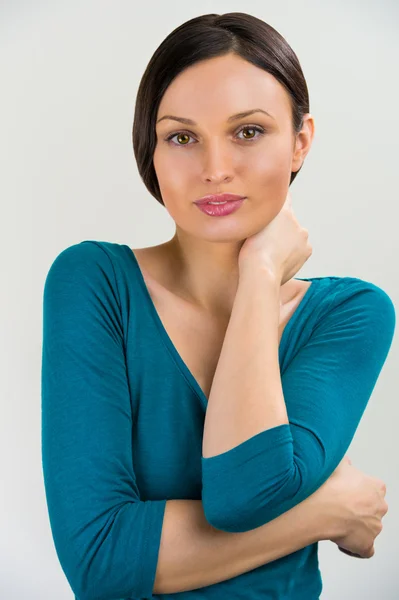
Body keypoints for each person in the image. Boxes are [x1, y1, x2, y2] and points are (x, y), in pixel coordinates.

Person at [41, 12, 395, 600]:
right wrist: (324, 510)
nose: (215, 170)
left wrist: (257, 275)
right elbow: (100, 561)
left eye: (248, 131)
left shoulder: (350, 314)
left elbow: (242, 495)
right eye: (182, 137)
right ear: (150, 151)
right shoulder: (95, 283)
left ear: (300, 141)